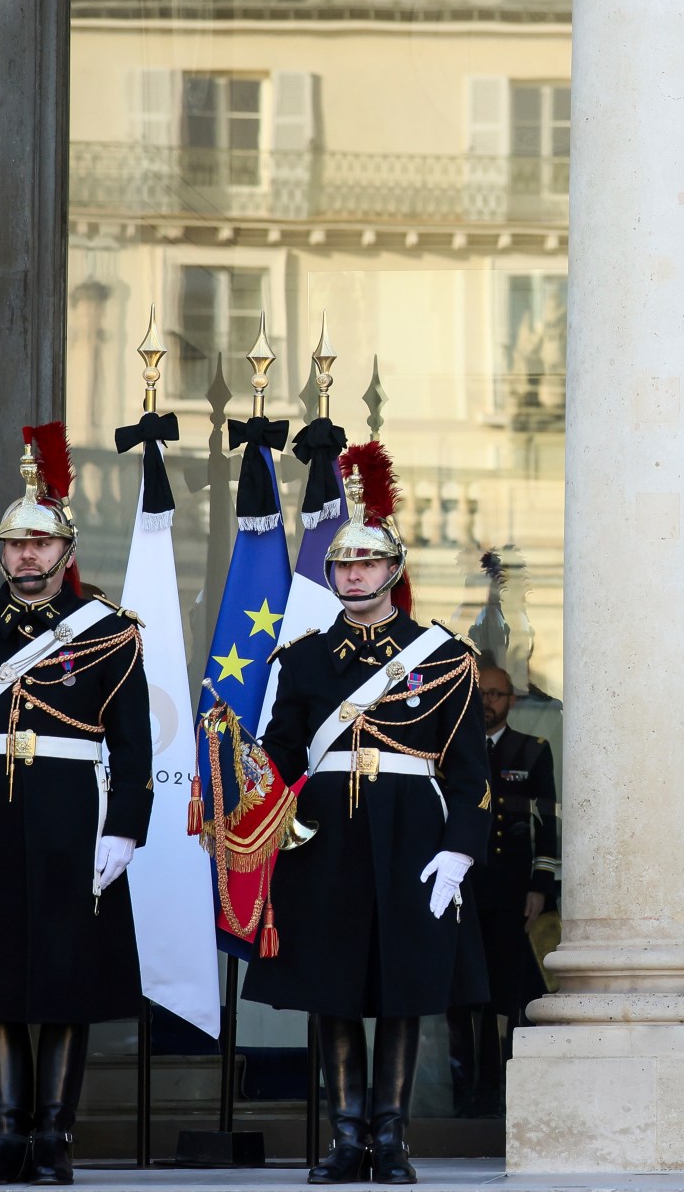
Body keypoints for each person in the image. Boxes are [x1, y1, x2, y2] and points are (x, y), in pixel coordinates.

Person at [0, 433, 151, 1186]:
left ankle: (54, 1139)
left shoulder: (110, 632)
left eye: (40, 545)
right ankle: (8, 1135)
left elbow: (134, 747)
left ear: (65, 548)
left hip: (71, 817)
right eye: (14, 545)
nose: (26, 558)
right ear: (1, 552)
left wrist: (126, 831)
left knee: (67, 979)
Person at [244, 462, 489, 1186]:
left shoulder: (443, 659)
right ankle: (347, 1137)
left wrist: (460, 853)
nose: (355, 574)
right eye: (344, 564)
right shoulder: (307, 657)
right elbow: (284, 751)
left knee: (405, 989)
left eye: (369, 561)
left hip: (414, 829)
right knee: (332, 986)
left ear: (394, 568)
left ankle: (393, 1137)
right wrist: (243, 764)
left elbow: (472, 774)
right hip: (326, 832)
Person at [446, 659, 558, 1118]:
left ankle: (507, 1086)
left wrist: (541, 886)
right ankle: (465, 1087)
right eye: (482, 694)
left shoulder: (532, 751)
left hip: (512, 891)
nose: (488, 703)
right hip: (463, 888)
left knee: (509, 991)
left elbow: (547, 824)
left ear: (512, 700)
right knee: (463, 990)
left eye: (496, 694)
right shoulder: (455, 748)